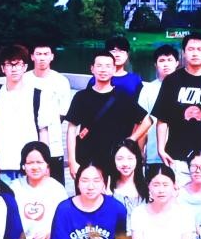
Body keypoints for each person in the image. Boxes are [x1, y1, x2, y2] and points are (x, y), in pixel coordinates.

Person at [152, 32, 201, 186]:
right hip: (176, 156)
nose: (195, 53)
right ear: (184, 52)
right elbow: (162, 119)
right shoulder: (171, 81)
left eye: (199, 49)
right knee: (176, 197)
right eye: (190, 49)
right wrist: (161, 149)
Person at [0, 44, 58, 183]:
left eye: (18, 64)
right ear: (2, 68)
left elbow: (43, 132)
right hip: (1, 165)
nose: (14, 69)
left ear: (25, 67)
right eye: (9, 64)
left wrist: (45, 164)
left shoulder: (38, 95)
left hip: (30, 166)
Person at [64, 50, 150, 178]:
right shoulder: (81, 97)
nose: (103, 70)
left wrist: (132, 139)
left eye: (108, 66)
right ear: (92, 69)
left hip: (116, 159)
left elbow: (147, 120)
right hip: (87, 158)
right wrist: (72, 161)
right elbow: (71, 128)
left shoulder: (123, 96)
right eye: (99, 66)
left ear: (114, 69)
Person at [131, 166, 199, 239]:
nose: (161, 190)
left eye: (165, 185)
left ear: (174, 186)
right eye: (156, 185)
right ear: (148, 186)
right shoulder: (138, 213)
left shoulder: (185, 214)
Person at [9, 142, 67, 239]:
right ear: (23, 165)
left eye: (40, 162)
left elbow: (65, 222)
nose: (35, 167)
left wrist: (51, 233)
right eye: (30, 163)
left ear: (47, 164)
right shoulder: (14, 187)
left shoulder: (57, 189)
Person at [24, 43, 74, 182]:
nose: (42, 58)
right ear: (32, 57)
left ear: (52, 56)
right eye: (38, 54)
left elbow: (63, 112)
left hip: (53, 142)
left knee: (55, 183)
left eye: (46, 54)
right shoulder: (24, 79)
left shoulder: (61, 81)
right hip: (27, 139)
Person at [138, 45, 180, 165]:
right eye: (161, 61)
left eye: (170, 60)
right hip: (154, 154)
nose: (166, 64)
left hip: (181, 155)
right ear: (155, 65)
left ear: (177, 63)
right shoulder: (148, 89)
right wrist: (140, 151)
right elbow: (142, 122)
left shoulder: (185, 87)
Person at [88, 35, 144, 99]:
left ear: (127, 55)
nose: (117, 55)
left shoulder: (135, 80)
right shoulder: (96, 79)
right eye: (113, 51)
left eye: (121, 51)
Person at [109, 138, 149, 222]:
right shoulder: (108, 187)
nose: (125, 164)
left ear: (137, 159)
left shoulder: (148, 188)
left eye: (130, 158)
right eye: (120, 159)